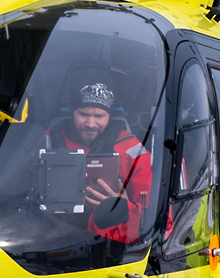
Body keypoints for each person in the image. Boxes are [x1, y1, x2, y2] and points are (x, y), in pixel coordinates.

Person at [41, 82, 151, 244]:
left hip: (107, 247)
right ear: (72, 111)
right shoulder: (44, 142)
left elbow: (157, 221)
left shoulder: (132, 151)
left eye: (99, 116)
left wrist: (122, 208)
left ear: (110, 115)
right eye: (83, 114)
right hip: (44, 241)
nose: (91, 124)